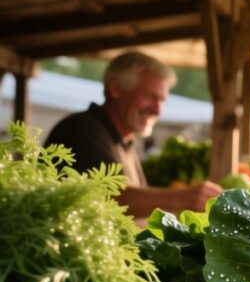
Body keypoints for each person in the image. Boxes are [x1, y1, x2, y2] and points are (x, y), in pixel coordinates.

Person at [46, 50, 221, 218]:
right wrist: (180, 198)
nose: (157, 110)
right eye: (150, 96)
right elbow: (105, 195)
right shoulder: (81, 130)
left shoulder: (125, 141)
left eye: (162, 100)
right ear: (116, 88)